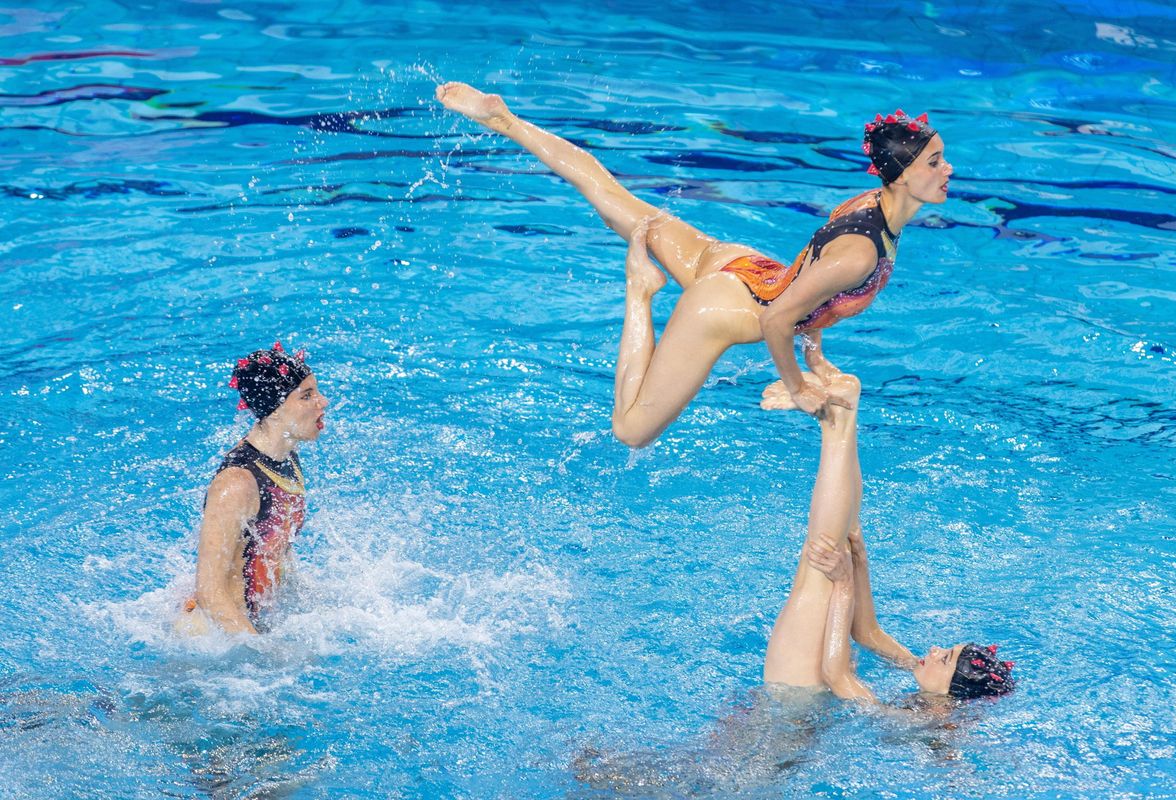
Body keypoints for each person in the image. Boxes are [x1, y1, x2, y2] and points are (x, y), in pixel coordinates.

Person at [436, 82, 953, 446]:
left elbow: (814, 291)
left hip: (743, 266)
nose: (947, 170)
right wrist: (799, 387)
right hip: (729, 306)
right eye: (934, 162)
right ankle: (640, 290)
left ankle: (504, 120)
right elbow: (778, 318)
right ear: (902, 175)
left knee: (611, 193)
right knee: (630, 431)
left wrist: (815, 358)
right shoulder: (863, 248)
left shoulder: (869, 205)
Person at [761, 372, 1015, 701]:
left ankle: (838, 420)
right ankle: (837, 420)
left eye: (945, 658)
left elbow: (837, 677)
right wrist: (859, 563)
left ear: (952, 691)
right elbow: (867, 633)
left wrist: (844, 585)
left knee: (821, 565)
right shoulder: (932, 695)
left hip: (792, 709)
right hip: (799, 693)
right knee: (836, 549)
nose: (935, 649)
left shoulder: (914, 725)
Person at [175, 342, 329, 636]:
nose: (322, 402)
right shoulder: (237, 484)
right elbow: (209, 593)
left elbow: (276, 549)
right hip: (210, 637)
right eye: (306, 396)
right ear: (273, 411)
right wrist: (263, 652)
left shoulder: (286, 458)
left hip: (246, 624)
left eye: (316, 392)